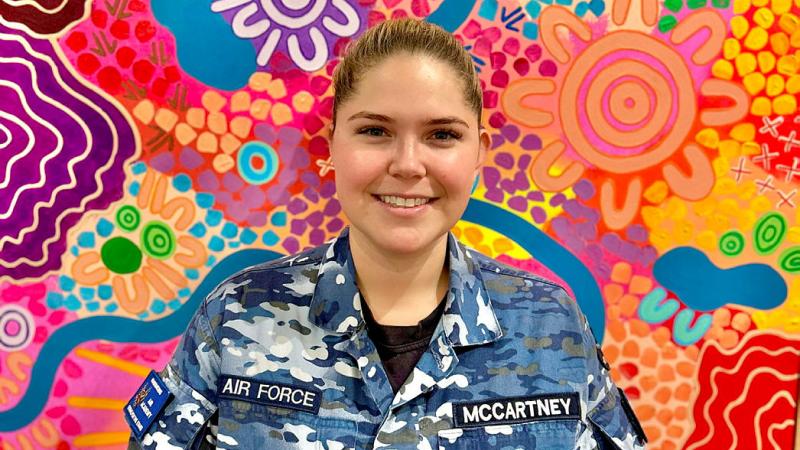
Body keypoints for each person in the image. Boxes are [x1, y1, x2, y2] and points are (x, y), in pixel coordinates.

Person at [124, 18, 647, 449]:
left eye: (442, 135)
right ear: (333, 144)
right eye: (375, 131)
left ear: (479, 153)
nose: (408, 164)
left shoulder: (552, 324)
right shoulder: (234, 317)